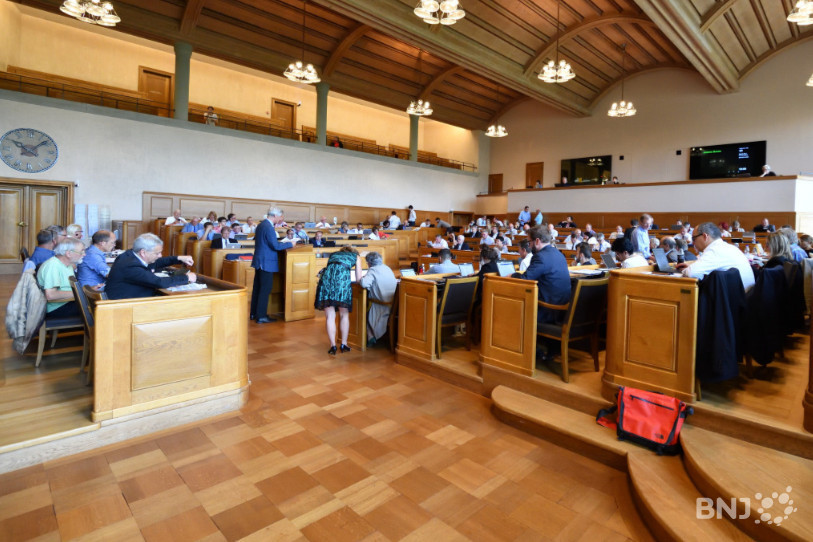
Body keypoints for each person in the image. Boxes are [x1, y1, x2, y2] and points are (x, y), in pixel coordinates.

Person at [105, 233, 196, 300]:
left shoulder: (130, 255)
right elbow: (159, 282)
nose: (160, 255)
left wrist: (179, 258)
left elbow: (156, 262)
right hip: (125, 307)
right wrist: (186, 277)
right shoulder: (131, 266)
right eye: (157, 253)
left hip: (130, 300)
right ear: (143, 252)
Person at [514, 226, 571, 326]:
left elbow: (525, 279)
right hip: (563, 309)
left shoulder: (541, 257)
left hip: (548, 310)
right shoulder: (559, 254)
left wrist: (512, 275)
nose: (529, 246)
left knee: (511, 305)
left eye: (529, 242)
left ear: (537, 241)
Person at [250, 207, 298, 323]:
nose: (281, 219)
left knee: (258, 288)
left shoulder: (262, 225)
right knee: (265, 289)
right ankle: (261, 316)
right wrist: (290, 244)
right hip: (266, 262)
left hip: (260, 260)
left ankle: (254, 313)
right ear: (275, 216)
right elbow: (275, 246)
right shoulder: (268, 226)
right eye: (281, 216)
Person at [314, 246, 362, 355]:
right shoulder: (356, 256)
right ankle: (344, 344)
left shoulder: (333, 254)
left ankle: (333, 346)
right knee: (344, 315)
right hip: (342, 284)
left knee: (330, 316)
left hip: (326, 283)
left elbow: (330, 270)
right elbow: (358, 278)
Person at [678, 222, 755, 290]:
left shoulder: (714, 250)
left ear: (705, 236)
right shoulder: (728, 247)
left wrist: (684, 270)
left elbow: (691, 273)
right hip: (743, 297)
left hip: (732, 300)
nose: (693, 243)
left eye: (694, 238)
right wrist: (690, 267)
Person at [36, 238, 85, 318]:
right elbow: (50, 295)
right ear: (68, 253)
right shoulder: (53, 266)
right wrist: (80, 293)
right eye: (81, 251)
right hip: (56, 309)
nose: (84, 254)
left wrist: (85, 291)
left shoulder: (68, 265)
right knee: (98, 310)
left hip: (68, 302)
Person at [359, 252, 397, 345]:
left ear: (369, 263)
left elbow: (364, 284)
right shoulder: (387, 268)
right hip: (393, 303)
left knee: (361, 309)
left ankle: (370, 336)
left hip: (380, 304)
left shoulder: (372, 270)